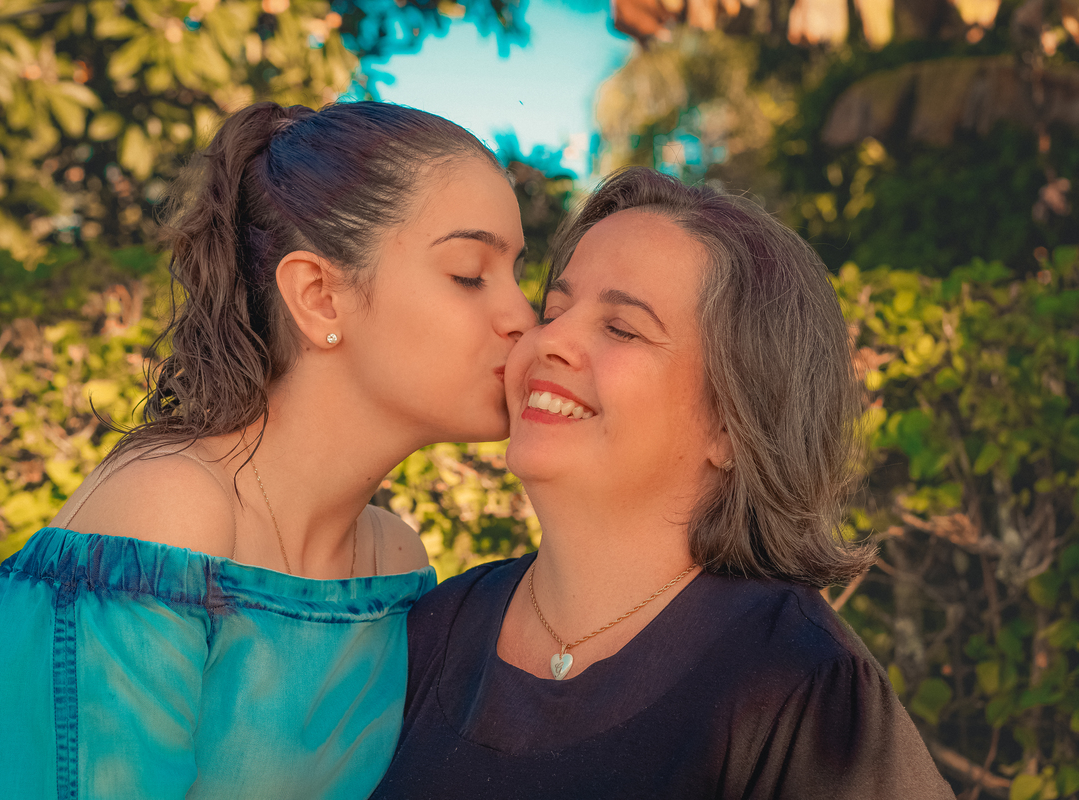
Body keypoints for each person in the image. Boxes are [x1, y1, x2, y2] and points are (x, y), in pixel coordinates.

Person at [0, 100, 536, 799]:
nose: (523, 317)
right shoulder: (167, 513)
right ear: (319, 297)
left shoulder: (393, 559)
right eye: (470, 274)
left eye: (516, 275)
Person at [372, 167, 955, 799]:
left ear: (732, 426)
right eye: (555, 310)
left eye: (622, 328)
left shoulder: (801, 685)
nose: (549, 339)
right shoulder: (429, 631)